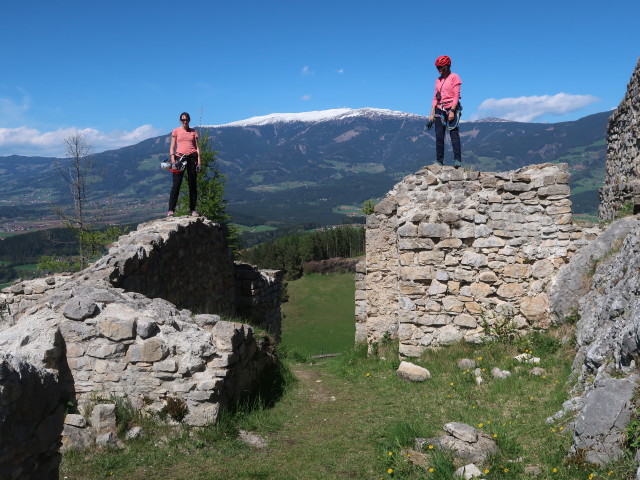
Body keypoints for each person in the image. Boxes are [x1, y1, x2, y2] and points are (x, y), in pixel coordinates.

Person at [429, 55, 462, 168]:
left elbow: (456, 95)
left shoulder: (454, 77)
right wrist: (432, 113)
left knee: (454, 134)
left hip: (451, 108)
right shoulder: (438, 80)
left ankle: (457, 160)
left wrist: (452, 110)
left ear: (446, 66)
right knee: (439, 136)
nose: (438, 70)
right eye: (437, 68)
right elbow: (435, 97)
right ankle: (439, 161)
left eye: (439, 67)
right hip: (440, 109)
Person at [167, 112, 201, 216]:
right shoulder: (176, 131)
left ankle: (193, 209)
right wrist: (173, 160)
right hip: (179, 158)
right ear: (180, 121)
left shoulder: (193, 132)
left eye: (186, 119)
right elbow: (172, 147)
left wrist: (199, 162)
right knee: (176, 185)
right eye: (183, 120)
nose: (185, 121)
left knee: (192, 185)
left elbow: (197, 148)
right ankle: (171, 210)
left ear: (189, 120)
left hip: (192, 158)